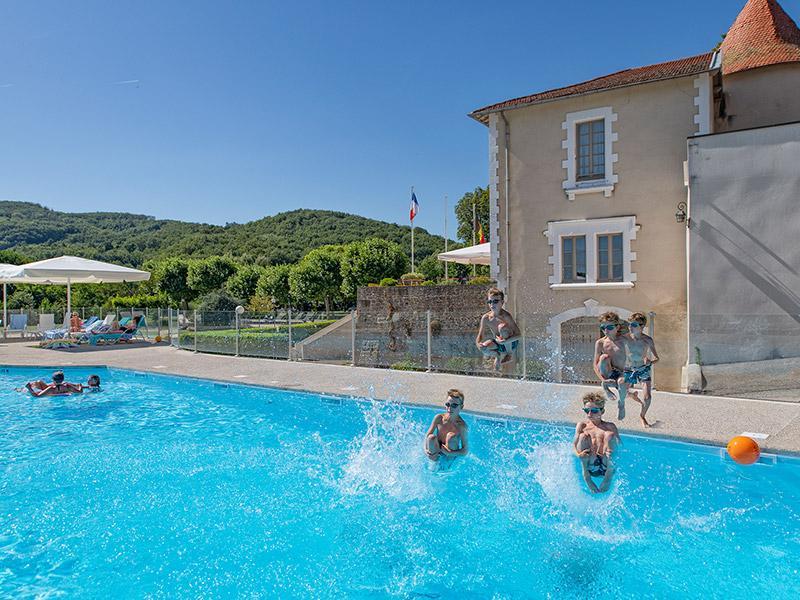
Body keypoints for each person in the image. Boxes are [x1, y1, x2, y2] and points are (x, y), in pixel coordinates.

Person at [573, 392, 620, 494]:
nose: (589, 414)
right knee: (583, 436)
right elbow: (573, 446)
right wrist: (579, 455)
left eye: (594, 411)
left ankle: (608, 476)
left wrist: (610, 451)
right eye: (587, 411)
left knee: (609, 435)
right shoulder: (582, 426)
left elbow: (619, 445)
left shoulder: (610, 426)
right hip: (590, 465)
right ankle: (586, 477)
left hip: (606, 465)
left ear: (602, 411)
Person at [624, 312, 660, 428]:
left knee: (647, 398)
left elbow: (656, 358)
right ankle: (632, 395)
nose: (630, 327)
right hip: (629, 370)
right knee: (622, 394)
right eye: (629, 324)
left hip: (643, 369)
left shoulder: (648, 340)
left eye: (633, 325)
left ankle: (642, 416)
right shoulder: (625, 338)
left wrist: (650, 361)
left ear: (642, 326)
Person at [593, 312, 629, 419]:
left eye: (609, 327)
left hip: (621, 373)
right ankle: (605, 387)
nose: (606, 330)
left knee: (621, 382)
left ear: (617, 327)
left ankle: (621, 404)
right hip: (607, 372)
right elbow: (595, 364)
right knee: (604, 358)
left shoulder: (625, 341)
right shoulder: (600, 343)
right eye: (603, 327)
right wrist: (602, 379)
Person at [476, 287, 521, 372]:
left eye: (495, 301)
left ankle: (509, 354)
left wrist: (506, 341)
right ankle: (497, 355)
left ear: (502, 303)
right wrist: (479, 345)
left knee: (502, 327)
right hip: (499, 343)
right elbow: (480, 336)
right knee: (484, 348)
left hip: (510, 344)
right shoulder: (486, 318)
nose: (492, 304)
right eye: (490, 302)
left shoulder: (506, 316)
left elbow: (519, 335)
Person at [424, 389, 469, 461]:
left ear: (461, 407)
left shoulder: (461, 426)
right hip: (437, 450)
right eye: (448, 404)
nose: (450, 408)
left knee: (451, 436)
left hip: (450, 454)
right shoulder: (439, 418)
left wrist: (449, 453)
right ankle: (433, 463)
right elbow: (427, 436)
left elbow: (465, 451)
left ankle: (447, 466)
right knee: (430, 438)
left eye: (454, 405)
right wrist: (426, 451)